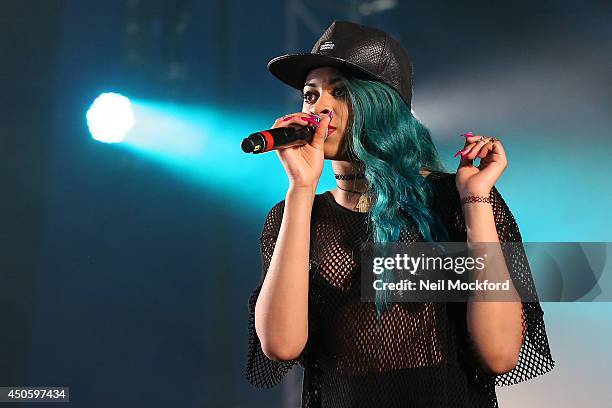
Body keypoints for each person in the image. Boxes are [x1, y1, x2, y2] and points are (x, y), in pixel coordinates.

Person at [245, 20, 555, 408]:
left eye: (339, 93)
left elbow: (500, 354)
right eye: (310, 96)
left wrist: (475, 201)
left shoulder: (451, 200)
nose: (318, 107)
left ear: (383, 104)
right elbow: (280, 345)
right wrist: (301, 189)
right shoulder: (295, 214)